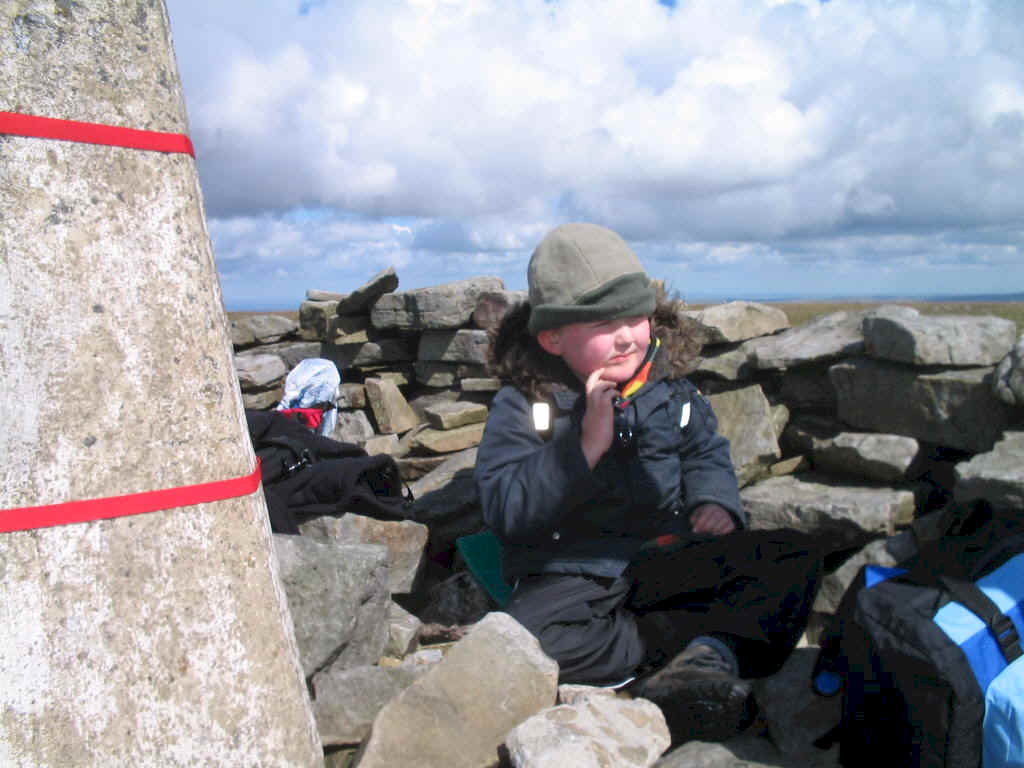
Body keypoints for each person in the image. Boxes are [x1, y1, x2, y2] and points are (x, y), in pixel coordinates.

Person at [473, 222, 822, 745]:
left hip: (665, 555)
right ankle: (683, 651)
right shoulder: (528, 403)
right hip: (573, 570)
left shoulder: (670, 391)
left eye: (636, 316)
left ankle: (701, 658)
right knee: (523, 643)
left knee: (794, 558)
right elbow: (504, 506)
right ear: (553, 337)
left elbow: (705, 450)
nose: (626, 336)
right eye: (602, 323)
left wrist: (715, 501)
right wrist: (584, 447)